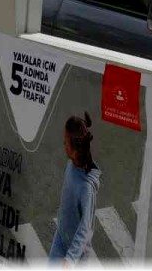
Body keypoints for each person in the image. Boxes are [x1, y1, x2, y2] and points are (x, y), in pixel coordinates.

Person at [49, 112, 102, 265]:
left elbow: (85, 227)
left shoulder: (86, 188)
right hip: (61, 237)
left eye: (66, 142)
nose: (63, 144)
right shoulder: (71, 164)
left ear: (76, 149)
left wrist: (70, 260)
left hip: (76, 256)